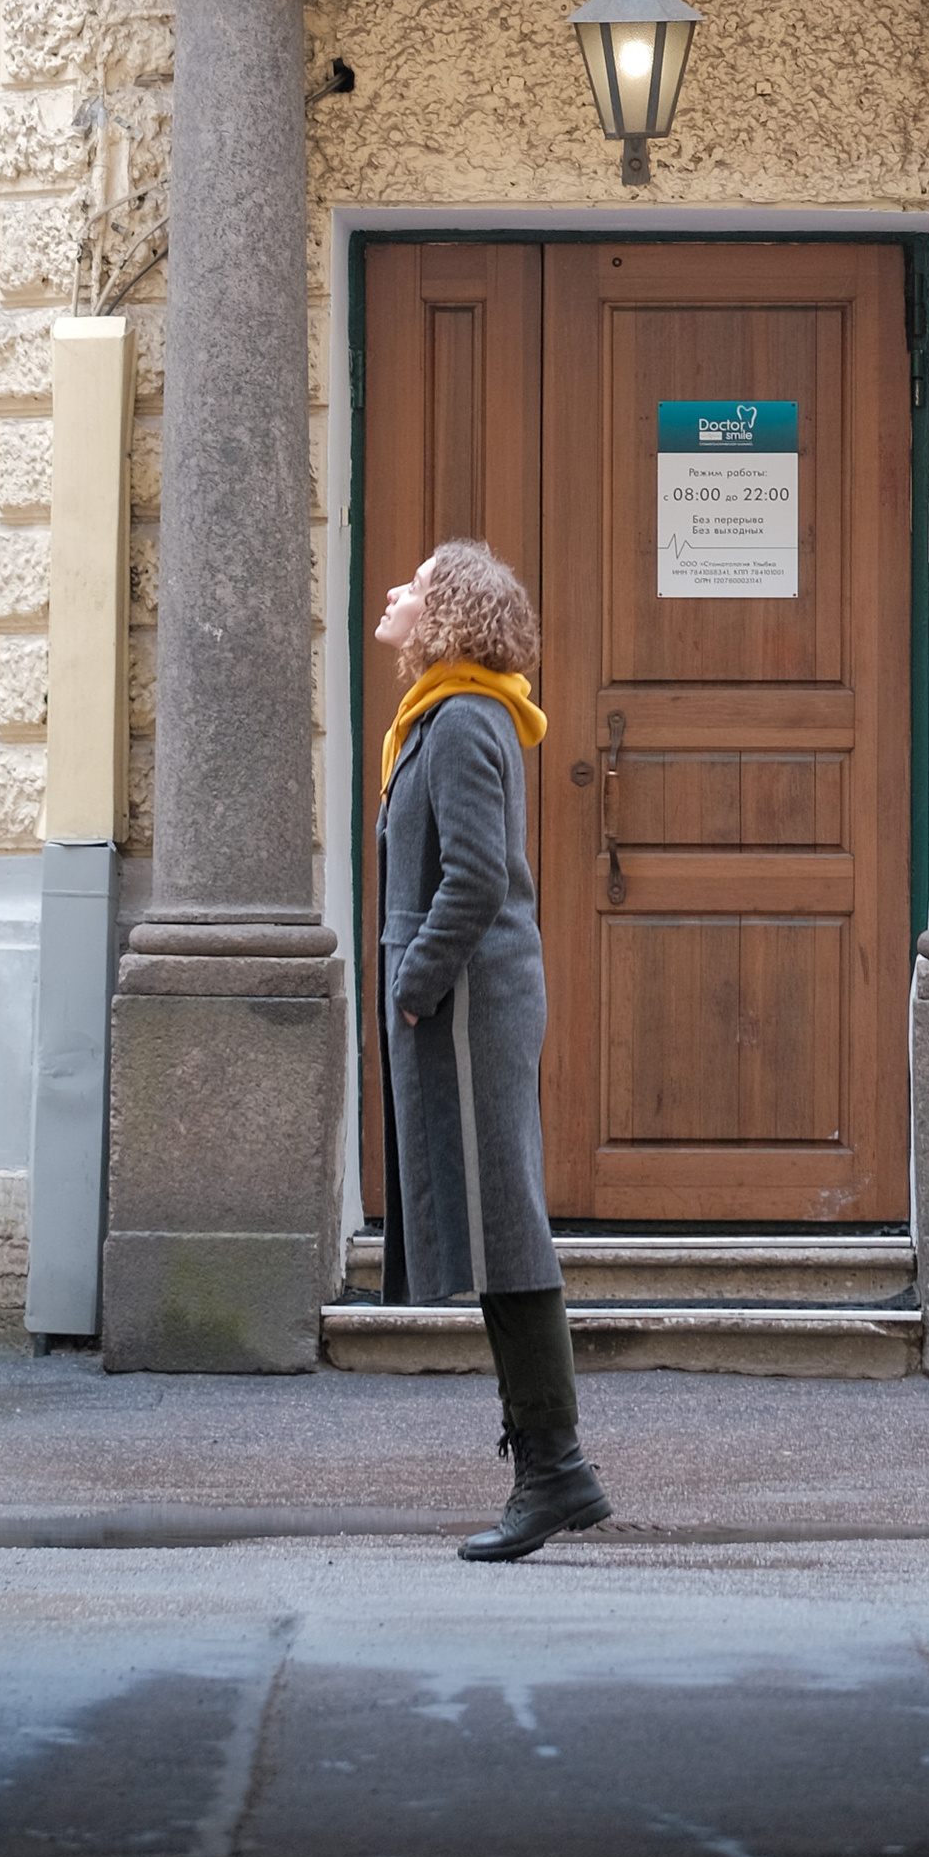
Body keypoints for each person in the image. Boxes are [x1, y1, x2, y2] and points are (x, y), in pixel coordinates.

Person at [375, 537, 613, 1562]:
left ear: (448, 616)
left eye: (415, 587)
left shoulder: (467, 719)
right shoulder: (445, 714)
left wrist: (415, 981)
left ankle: (553, 1472)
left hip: (468, 999)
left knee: (505, 1228)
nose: (394, 594)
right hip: (457, 997)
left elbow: (476, 876)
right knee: (492, 1226)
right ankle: (551, 1467)